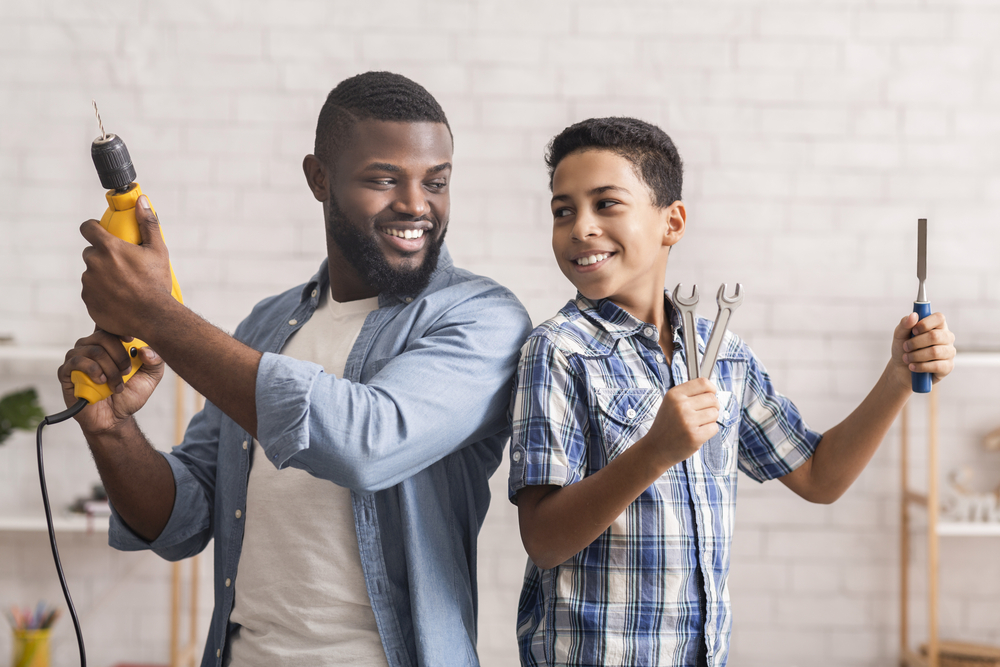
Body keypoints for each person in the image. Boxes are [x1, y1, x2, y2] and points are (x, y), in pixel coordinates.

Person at [57, 72, 532, 667]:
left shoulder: (481, 318)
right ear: (319, 178)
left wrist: (158, 316)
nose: (416, 204)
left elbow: (366, 443)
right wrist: (110, 429)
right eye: (385, 178)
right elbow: (182, 520)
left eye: (436, 182)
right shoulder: (266, 325)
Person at [506, 117, 956, 667]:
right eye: (563, 211)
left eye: (606, 204)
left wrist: (896, 376)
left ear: (672, 222)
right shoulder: (556, 351)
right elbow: (545, 539)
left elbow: (819, 476)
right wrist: (655, 452)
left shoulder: (725, 355)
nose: (581, 227)